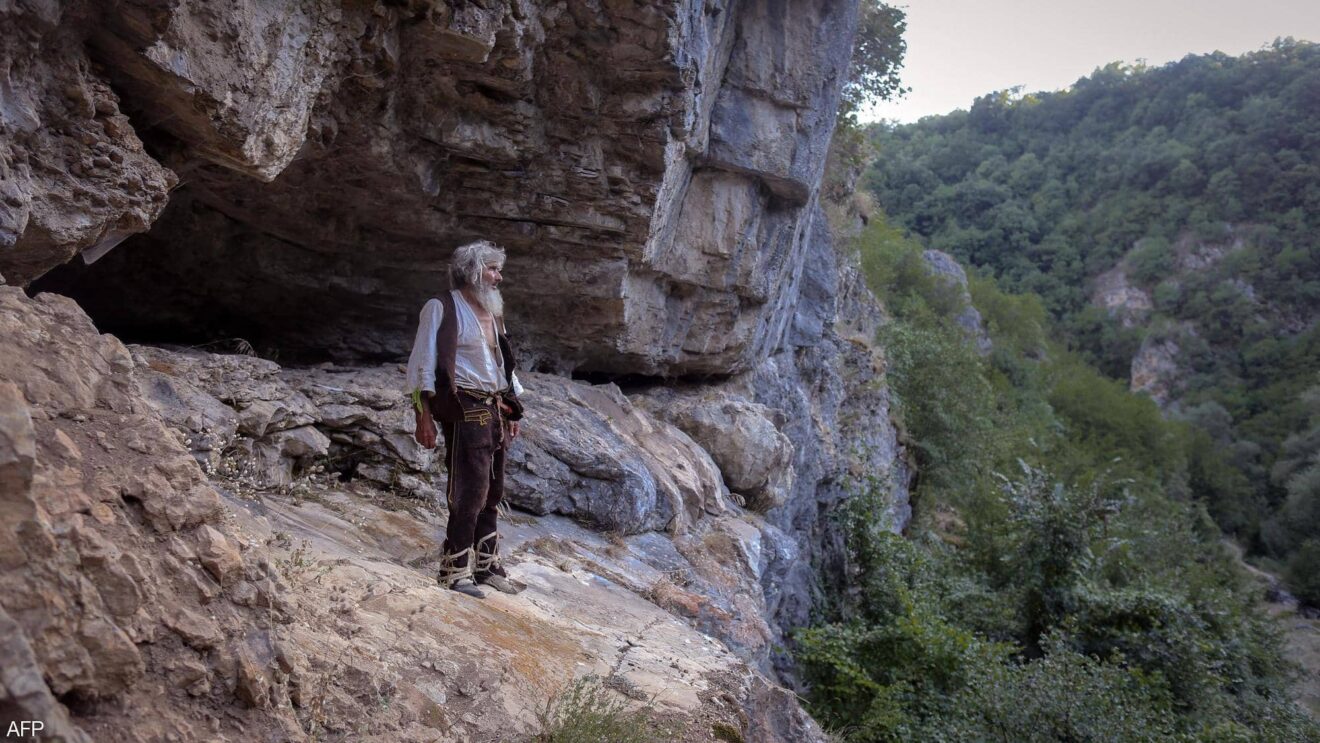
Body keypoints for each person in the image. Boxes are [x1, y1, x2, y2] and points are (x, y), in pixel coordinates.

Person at [406, 240, 526, 597]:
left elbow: (502, 362)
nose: (498, 277)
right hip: (465, 408)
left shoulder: (493, 312)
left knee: (493, 489)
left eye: (498, 269)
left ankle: (488, 567)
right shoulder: (441, 307)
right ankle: (454, 571)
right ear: (471, 271)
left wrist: (513, 405)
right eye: (491, 268)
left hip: (495, 410)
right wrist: (422, 416)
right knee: (469, 490)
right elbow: (422, 365)